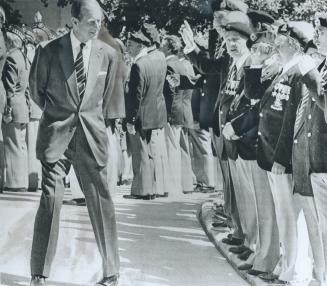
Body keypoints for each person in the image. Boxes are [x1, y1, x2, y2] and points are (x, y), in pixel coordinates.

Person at [29, 1, 121, 285]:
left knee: (102, 202)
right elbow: (36, 91)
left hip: (91, 139)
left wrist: (95, 122)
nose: (97, 27)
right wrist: (60, 114)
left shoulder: (108, 54)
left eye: (100, 21)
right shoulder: (49, 51)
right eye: (91, 22)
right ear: (74, 22)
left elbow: (108, 98)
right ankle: (39, 274)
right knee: (50, 201)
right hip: (57, 136)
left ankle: (111, 272)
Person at [246, 21, 320, 284]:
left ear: (293, 43)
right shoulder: (283, 68)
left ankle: (293, 272)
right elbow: (254, 95)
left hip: (284, 157)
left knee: (290, 218)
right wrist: (255, 62)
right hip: (271, 151)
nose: (275, 42)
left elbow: (293, 119)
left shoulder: (300, 70)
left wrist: (281, 157)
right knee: (283, 215)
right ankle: (285, 266)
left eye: (280, 38)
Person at [124, 26, 169, 200]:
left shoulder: (139, 65)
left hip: (141, 115)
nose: (129, 48)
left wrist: (130, 119)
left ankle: (142, 190)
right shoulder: (160, 57)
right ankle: (151, 189)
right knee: (150, 152)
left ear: (140, 45)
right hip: (155, 112)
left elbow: (136, 96)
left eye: (131, 44)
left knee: (140, 153)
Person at [161, 34, 194, 195]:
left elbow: (169, 93)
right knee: (181, 149)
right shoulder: (182, 65)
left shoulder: (168, 65)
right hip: (182, 110)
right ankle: (186, 184)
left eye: (162, 44)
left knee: (172, 149)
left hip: (172, 112)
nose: (160, 47)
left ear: (168, 47)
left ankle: (173, 186)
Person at [2, 25, 30, 192]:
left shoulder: (11, 57)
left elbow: (9, 87)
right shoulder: (23, 57)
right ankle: (22, 181)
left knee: (13, 145)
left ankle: (15, 182)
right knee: (21, 146)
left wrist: (7, 110)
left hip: (14, 106)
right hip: (23, 107)